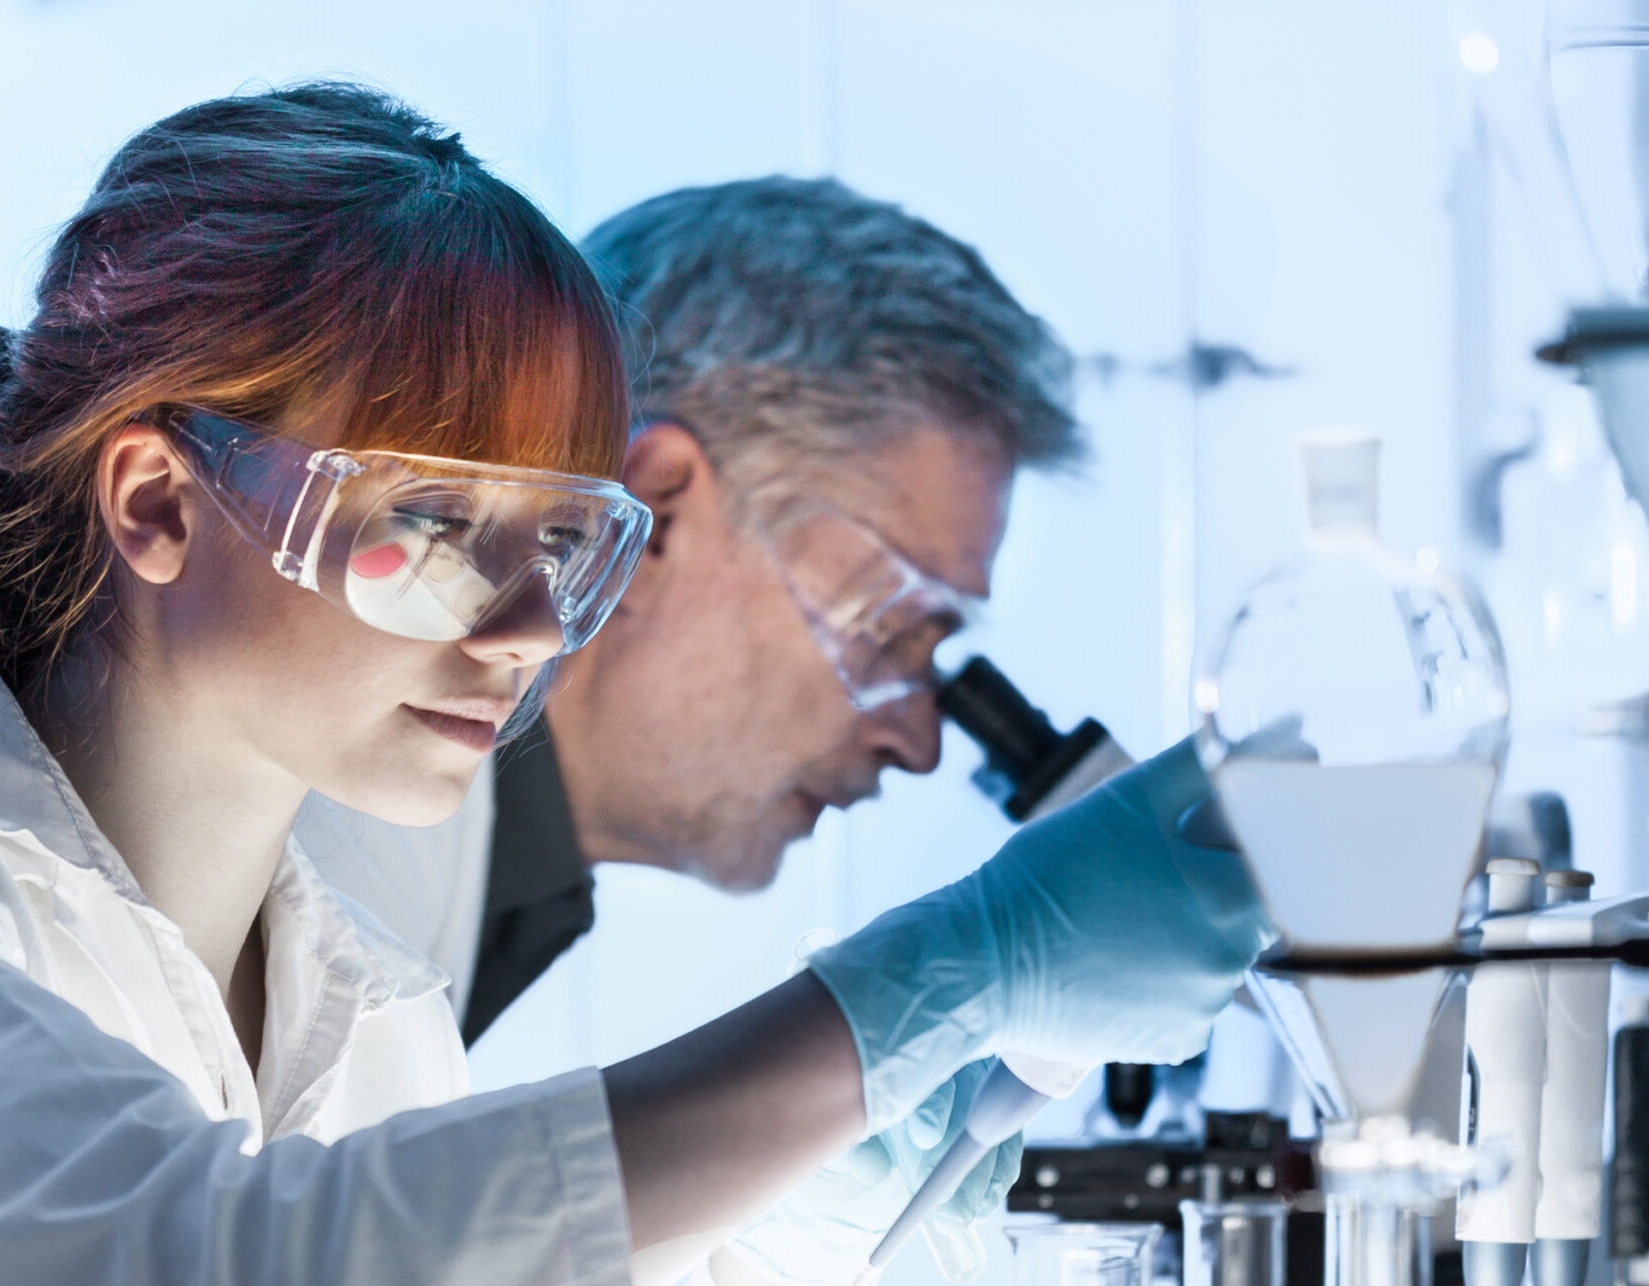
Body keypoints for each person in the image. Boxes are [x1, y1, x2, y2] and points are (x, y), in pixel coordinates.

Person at [0, 80, 1268, 1286]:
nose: (528, 627)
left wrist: (758, 1261)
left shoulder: (360, 1005)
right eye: (435, 525)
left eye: (568, 544)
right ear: (160, 502)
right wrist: (915, 991)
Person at [299, 176, 1081, 1043]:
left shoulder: (491, 871)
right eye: (888, 630)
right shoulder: (341, 833)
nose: (918, 743)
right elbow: (327, 1185)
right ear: (652, 518)